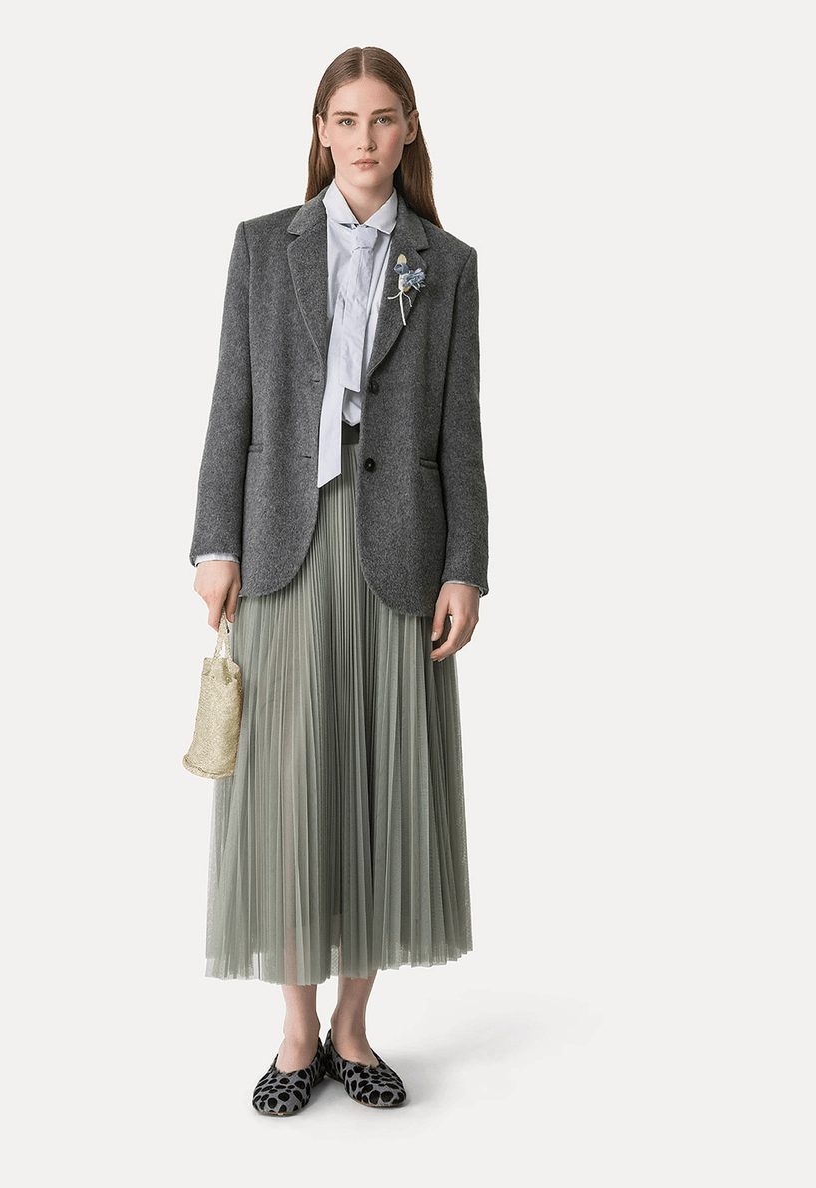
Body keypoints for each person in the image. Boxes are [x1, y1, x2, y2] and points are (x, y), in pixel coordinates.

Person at [189, 45, 488, 1115]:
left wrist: (466, 567)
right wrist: (213, 543)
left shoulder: (446, 263)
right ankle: (295, 1031)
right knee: (288, 788)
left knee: (383, 783)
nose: (365, 139)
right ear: (321, 131)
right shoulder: (262, 246)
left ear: (409, 132)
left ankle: (354, 1030)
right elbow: (232, 406)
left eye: (384, 118)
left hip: (400, 546)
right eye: (346, 119)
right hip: (284, 538)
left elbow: (461, 431)